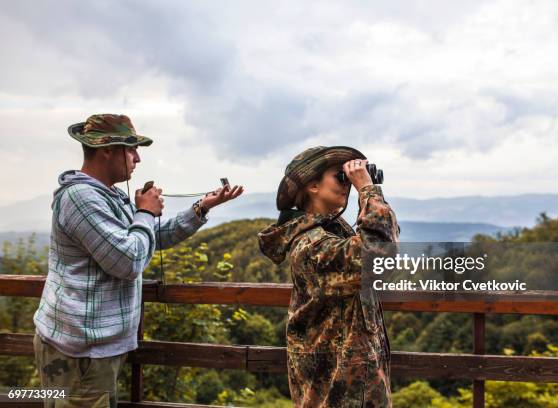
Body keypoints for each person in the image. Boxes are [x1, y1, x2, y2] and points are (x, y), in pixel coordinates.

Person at [33, 113, 243, 407]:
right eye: (131, 149)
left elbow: (147, 239)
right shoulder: (80, 198)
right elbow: (128, 261)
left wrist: (200, 207)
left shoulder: (108, 196)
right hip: (81, 353)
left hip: (93, 348)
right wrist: (144, 212)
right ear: (107, 149)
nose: (137, 158)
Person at [258, 146, 399, 407]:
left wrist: (368, 193)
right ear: (313, 186)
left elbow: (380, 238)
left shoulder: (331, 234)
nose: (347, 183)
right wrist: (368, 190)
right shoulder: (312, 247)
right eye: (340, 176)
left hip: (350, 389)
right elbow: (381, 254)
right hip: (338, 393)